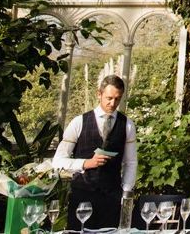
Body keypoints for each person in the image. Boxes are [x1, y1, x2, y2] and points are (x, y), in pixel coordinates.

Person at [52, 75, 137, 230]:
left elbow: (130, 162)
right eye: (109, 98)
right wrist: (86, 163)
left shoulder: (127, 125)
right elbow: (57, 161)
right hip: (82, 195)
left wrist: (125, 192)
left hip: (112, 197)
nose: (113, 103)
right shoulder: (78, 122)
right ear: (99, 94)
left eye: (117, 99)